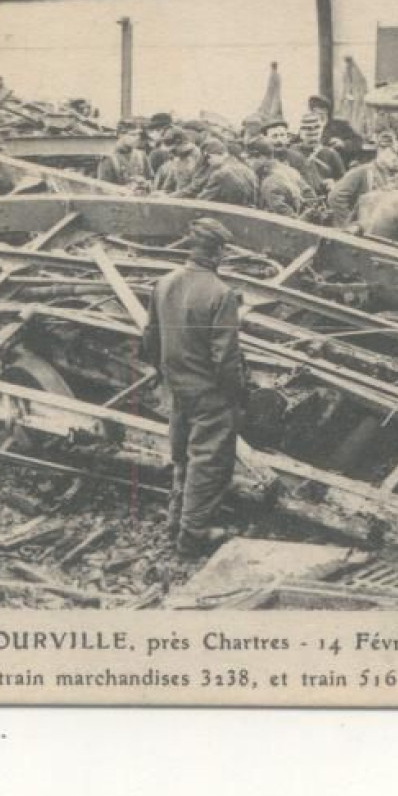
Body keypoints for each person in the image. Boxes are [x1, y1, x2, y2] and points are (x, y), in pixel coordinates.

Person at [140, 217, 245, 556]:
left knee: (182, 455)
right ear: (217, 253)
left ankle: (175, 523)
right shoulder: (221, 293)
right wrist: (235, 395)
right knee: (208, 460)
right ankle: (193, 535)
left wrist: (163, 373)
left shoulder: (164, 283)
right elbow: (225, 357)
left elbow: (150, 339)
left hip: (178, 387)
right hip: (209, 393)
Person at [328, 140, 398, 236]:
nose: (397, 159)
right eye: (394, 153)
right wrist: (348, 224)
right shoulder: (362, 172)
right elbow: (335, 197)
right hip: (360, 232)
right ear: (380, 150)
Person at [246, 139, 315, 219]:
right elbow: (310, 196)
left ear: (260, 157)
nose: (248, 162)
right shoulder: (290, 170)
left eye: (249, 158)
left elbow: (285, 219)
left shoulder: (269, 182)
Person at [183, 139, 258, 207]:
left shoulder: (220, 174)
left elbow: (203, 200)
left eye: (208, 158)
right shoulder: (247, 169)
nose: (208, 162)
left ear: (211, 155)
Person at [95, 123, 151, 189]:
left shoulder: (141, 156)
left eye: (139, 134)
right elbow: (103, 188)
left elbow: (150, 180)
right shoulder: (108, 159)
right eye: (133, 135)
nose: (137, 138)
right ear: (120, 135)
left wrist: (145, 183)